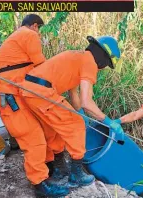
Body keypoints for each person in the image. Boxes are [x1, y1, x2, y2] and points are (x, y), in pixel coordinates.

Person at [20, 35, 124, 188]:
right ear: (103, 58)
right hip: (42, 92)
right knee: (76, 124)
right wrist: (109, 122)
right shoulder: (90, 62)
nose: (102, 68)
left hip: (30, 90)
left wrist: (80, 111)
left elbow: (74, 96)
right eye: (106, 64)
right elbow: (87, 101)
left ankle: (59, 169)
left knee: (56, 128)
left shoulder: (78, 57)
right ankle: (76, 174)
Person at [0, 14, 69, 197]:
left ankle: (47, 171)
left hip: (12, 93)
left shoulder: (17, 39)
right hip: (7, 96)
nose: (38, 34)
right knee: (33, 137)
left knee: (44, 127)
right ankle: (39, 185)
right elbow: (42, 68)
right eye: (38, 30)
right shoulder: (29, 34)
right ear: (34, 26)